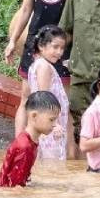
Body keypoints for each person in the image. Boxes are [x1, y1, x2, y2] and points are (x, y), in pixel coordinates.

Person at [19, 25, 71, 162]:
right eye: (55, 47)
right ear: (41, 46)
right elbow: (43, 98)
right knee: (52, 165)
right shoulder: (44, 67)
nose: (59, 52)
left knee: (43, 162)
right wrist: (55, 124)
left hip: (45, 124)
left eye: (62, 48)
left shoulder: (37, 64)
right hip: (50, 126)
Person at [0, 91, 61, 189]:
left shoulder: (30, 141)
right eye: (51, 120)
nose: (55, 124)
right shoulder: (25, 147)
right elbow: (15, 188)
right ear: (34, 116)